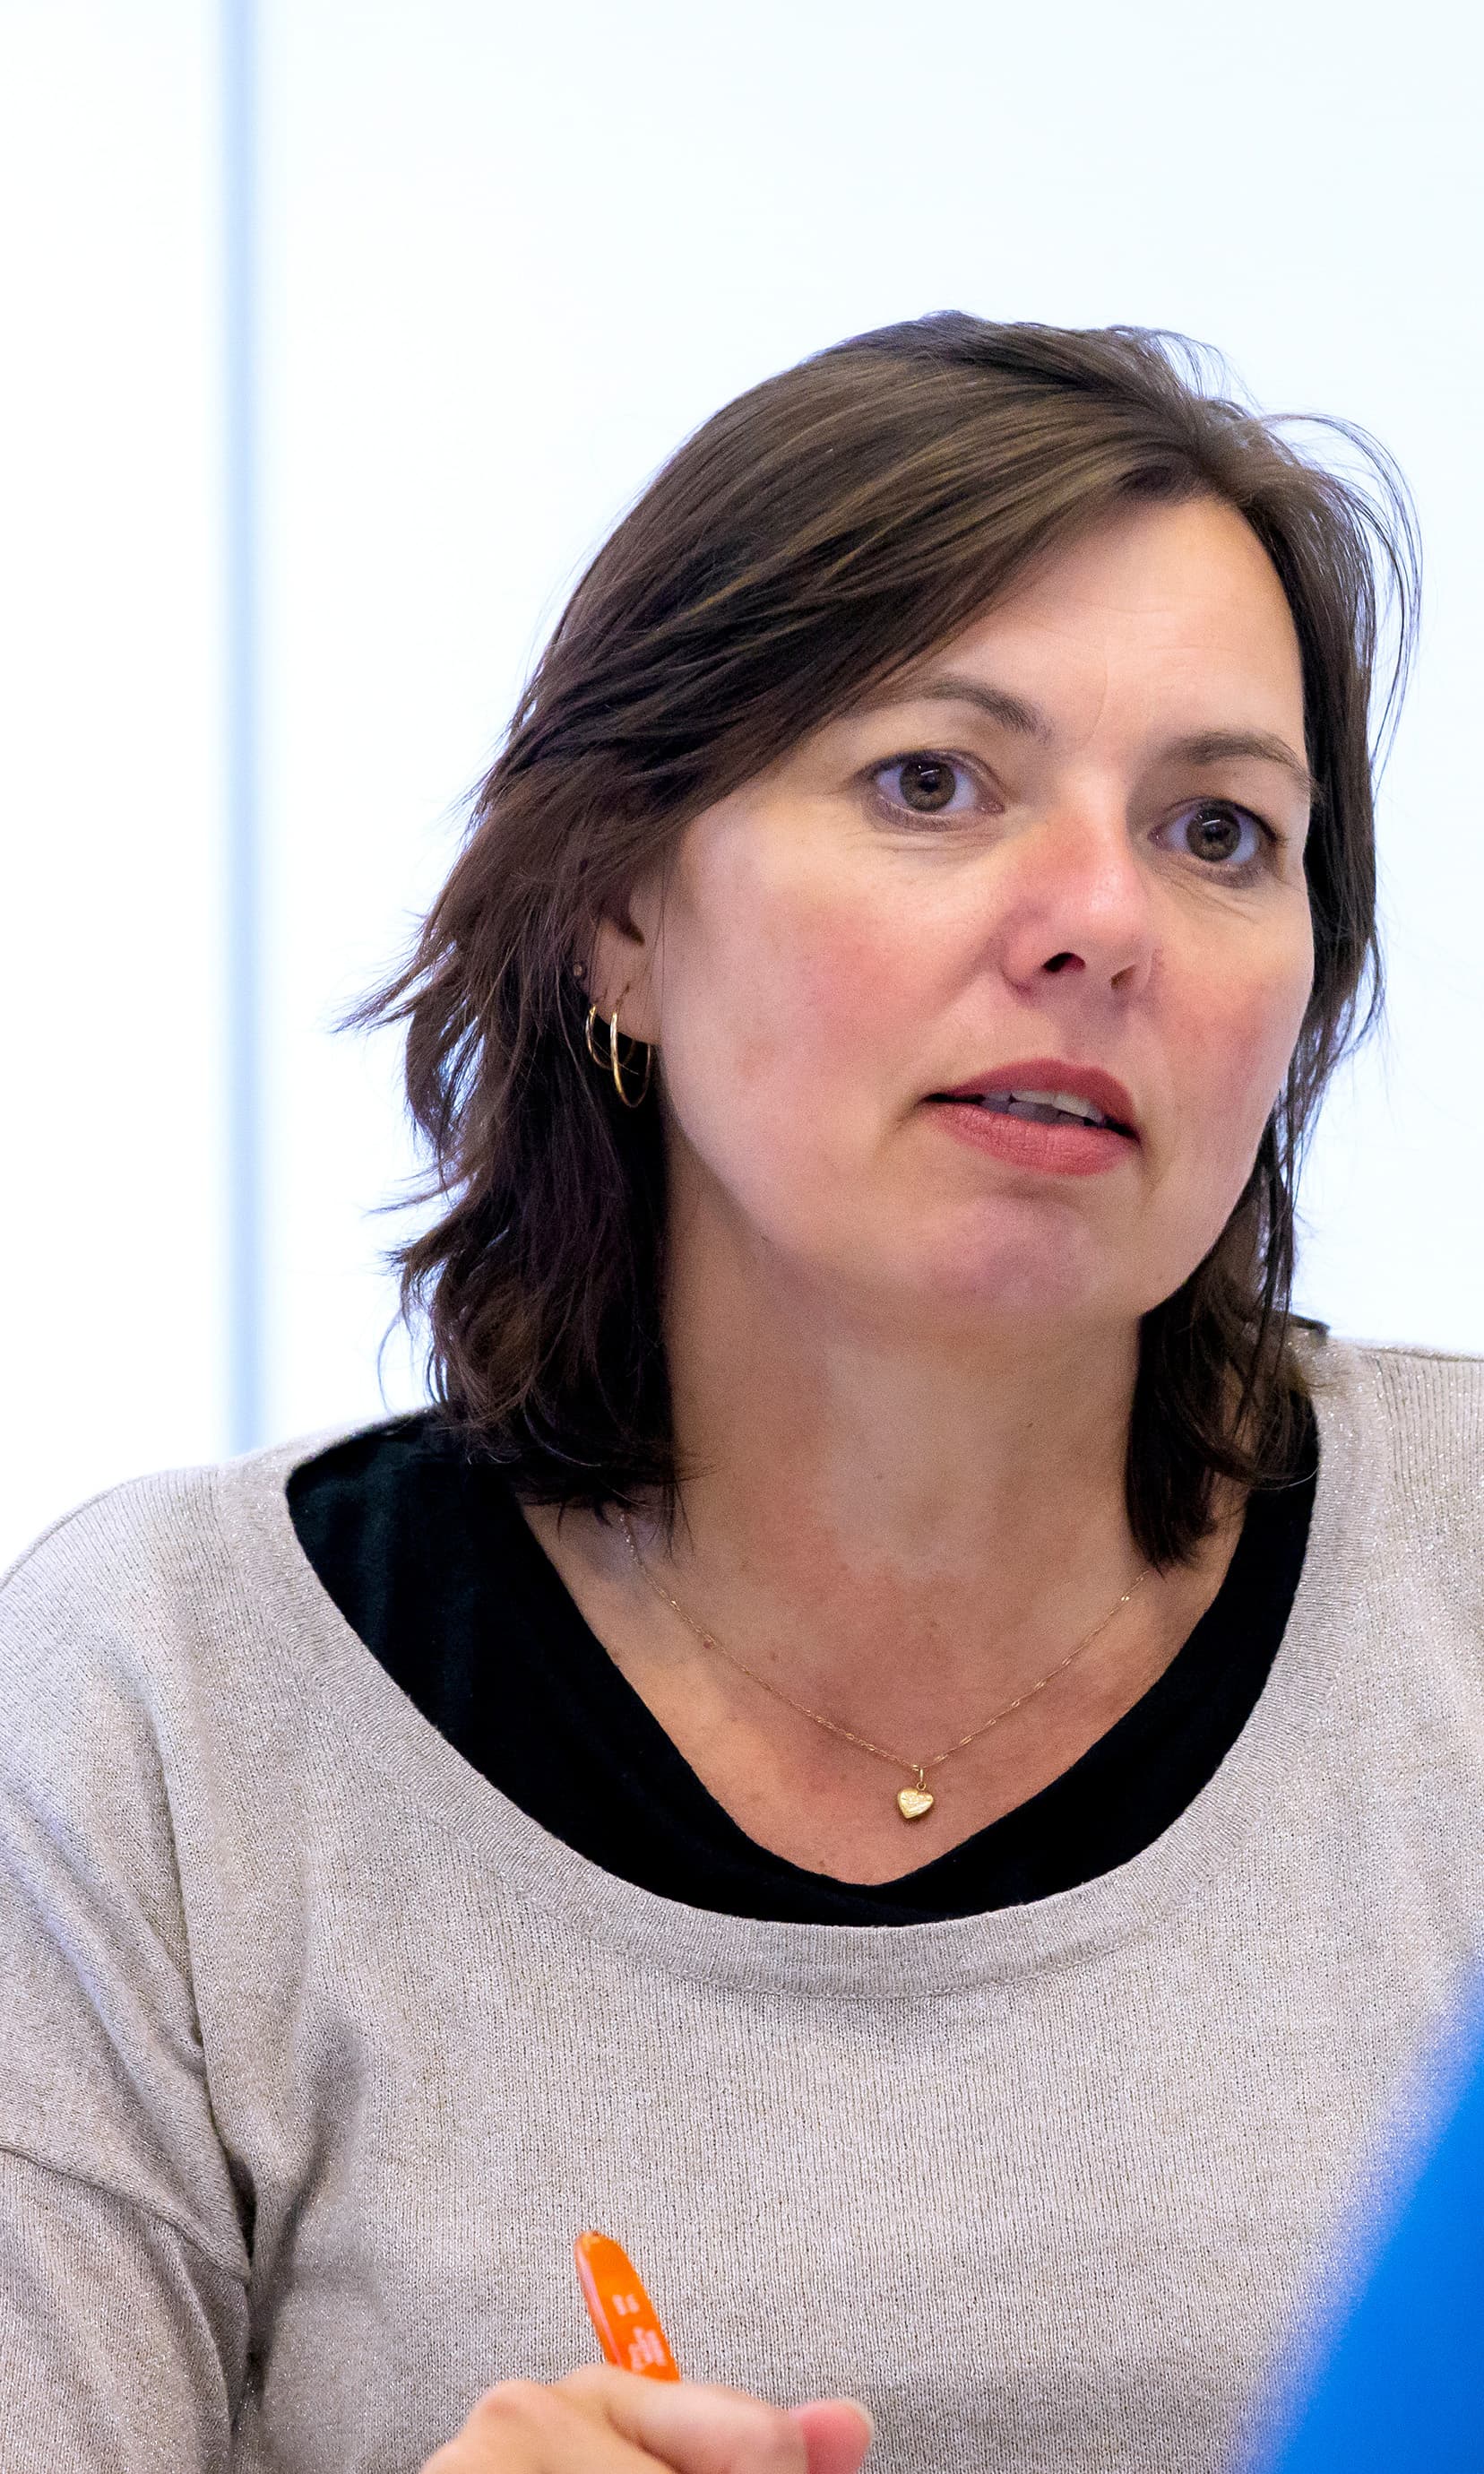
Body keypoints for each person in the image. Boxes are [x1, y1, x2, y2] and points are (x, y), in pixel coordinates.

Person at [2, 313, 1479, 2474]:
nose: (1101, 922)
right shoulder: (166, 1705)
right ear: (618, 907)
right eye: (932, 783)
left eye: (1221, 831)